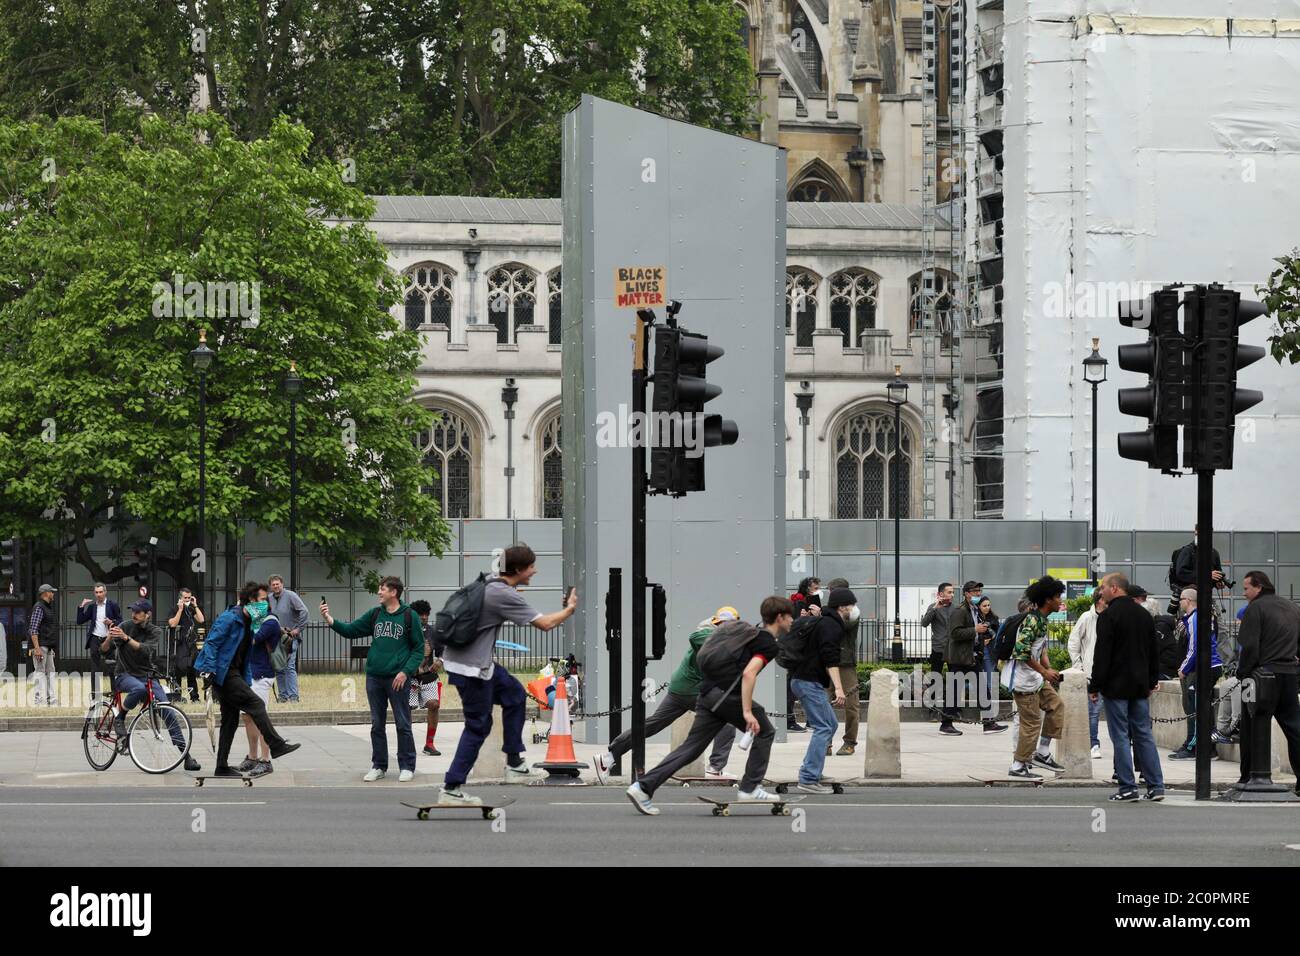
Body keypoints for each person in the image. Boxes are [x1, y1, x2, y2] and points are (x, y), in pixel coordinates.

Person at [626, 596, 793, 815]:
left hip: (706, 694)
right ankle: (750, 787)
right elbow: (749, 673)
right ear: (779, 617)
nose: (792, 620)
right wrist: (747, 711)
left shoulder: (750, 633)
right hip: (727, 697)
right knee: (765, 732)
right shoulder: (767, 643)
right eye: (790, 616)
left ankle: (642, 787)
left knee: (691, 748)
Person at [438, 545, 577, 806]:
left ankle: (514, 762)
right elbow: (545, 624)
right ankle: (451, 787)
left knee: (514, 693)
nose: (534, 571)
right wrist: (569, 610)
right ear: (518, 570)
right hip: (472, 671)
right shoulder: (503, 594)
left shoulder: (489, 583)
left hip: (473, 664)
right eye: (531, 567)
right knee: (478, 726)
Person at [591, 607, 741, 784]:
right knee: (727, 720)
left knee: (653, 723)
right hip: (691, 688)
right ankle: (716, 767)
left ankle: (608, 757)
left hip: (682, 689)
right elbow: (695, 637)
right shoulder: (707, 633)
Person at [193, 581, 301, 778]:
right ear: (250, 600)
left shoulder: (249, 621)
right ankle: (276, 746)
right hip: (222, 673)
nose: (265, 605)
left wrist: (247, 679)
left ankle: (222, 766)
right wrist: (208, 672)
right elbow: (211, 643)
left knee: (230, 720)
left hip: (234, 673)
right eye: (261, 600)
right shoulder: (230, 618)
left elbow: (246, 654)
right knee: (256, 703)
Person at [322, 575, 425, 782]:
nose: (379, 592)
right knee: (377, 724)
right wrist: (330, 620)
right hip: (375, 677)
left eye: (382, 589)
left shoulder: (409, 616)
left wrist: (405, 671)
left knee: (402, 723)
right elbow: (351, 631)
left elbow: (418, 649)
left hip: (398, 679)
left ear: (393, 592)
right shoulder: (375, 614)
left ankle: (407, 766)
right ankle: (379, 765)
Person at [103, 599, 201, 772]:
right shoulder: (125, 625)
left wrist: (126, 638)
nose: (133, 614)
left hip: (146, 675)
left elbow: (145, 650)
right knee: (139, 689)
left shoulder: (154, 631)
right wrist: (110, 635)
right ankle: (120, 718)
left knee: (168, 711)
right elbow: (103, 650)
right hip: (124, 674)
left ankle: (185, 756)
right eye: (132, 611)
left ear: (147, 614)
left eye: (138, 611)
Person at [1090, 573, 1164, 801]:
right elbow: (1153, 653)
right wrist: (1152, 681)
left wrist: (1095, 685)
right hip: (1139, 686)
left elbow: (1102, 656)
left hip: (1115, 686)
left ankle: (1128, 787)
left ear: (1114, 588)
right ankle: (1156, 786)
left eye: (1103, 588)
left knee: (1120, 736)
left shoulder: (1108, 617)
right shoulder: (1144, 616)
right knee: (1144, 735)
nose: (1100, 592)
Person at [1234, 570, 1300, 790]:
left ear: (1259, 587)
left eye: (1246, 588)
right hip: (1289, 673)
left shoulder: (1255, 609)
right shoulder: (1292, 607)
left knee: (1251, 727)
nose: (1244, 593)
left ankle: (1249, 777)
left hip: (1260, 676)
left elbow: (1250, 648)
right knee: (1294, 728)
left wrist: (1242, 673)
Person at [1003, 576, 1067, 779]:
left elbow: (1040, 649)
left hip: (1036, 680)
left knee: (1057, 706)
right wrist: (1045, 672)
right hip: (1023, 682)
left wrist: (1049, 669)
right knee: (1031, 723)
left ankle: (1043, 752)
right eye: (1058, 597)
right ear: (1048, 600)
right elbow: (1021, 653)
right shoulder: (1031, 620)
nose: (1061, 601)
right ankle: (1018, 765)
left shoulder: (1041, 620)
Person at [790, 589, 850, 791]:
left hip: (806, 680)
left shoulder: (824, 621)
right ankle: (808, 778)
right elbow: (830, 658)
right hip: (808, 681)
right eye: (851, 605)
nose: (853, 609)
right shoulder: (831, 625)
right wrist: (839, 689)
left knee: (830, 724)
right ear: (842, 606)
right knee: (823, 727)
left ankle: (812, 770)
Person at [1169, 587, 1222, 761]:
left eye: (1182, 599)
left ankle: (1193, 747)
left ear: (1189, 601)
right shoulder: (1199, 617)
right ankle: (1207, 748)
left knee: (1194, 710)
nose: (1179, 602)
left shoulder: (1195, 618)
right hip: (1209, 666)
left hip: (1202, 668)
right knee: (1202, 709)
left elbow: (1195, 648)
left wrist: (1183, 668)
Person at [236, 611, 283, 777]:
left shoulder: (270, 621)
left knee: (260, 717)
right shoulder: (250, 620)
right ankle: (252, 757)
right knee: (247, 717)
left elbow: (252, 640)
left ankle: (266, 760)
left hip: (262, 675)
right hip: (248, 675)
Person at [1067, 590, 1108, 759]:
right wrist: (1080, 668)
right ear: (1100, 600)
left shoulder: (1112, 617)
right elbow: (1073, 643)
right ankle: (1093, 743)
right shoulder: (1086, 618)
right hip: (1092, 673)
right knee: (1094, 711)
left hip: (1111, 673)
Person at [408, 600, 445, 756]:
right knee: (407, 708)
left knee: (434, 705)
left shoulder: (433, 632)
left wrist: (440, 661)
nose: (424, 617)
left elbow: (444, 650)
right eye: (420, 614)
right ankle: (407, 745)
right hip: (409, 678)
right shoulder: (406, 630)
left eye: (426, 614)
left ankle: (429, 744)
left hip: (428, 677)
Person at [831, 581, 863, 756]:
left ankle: (850, 741)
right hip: (827, 663)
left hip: (845, 663)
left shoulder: (853, 613)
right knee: (824, 703)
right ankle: (826, 742)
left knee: (851, 704)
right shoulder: (829, 614)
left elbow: (843, 626)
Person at [920, 582, 956, 733]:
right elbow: (924, 623)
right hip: (938, 648)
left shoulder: (957, 609)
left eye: (953, 592)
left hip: (953, 649)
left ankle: (953, 711)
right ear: (940, 594)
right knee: (936, 678)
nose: (952, 594)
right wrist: (935, 607)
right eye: (949, 592)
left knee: (955, 679)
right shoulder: (933, 608)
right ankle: (932, 710)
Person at [1168, 525, 1226, 614]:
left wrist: (1218, 582)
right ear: (1195, 532)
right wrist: (1206, 575)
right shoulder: (1187, 551)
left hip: (1206, 597)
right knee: (1189, 625)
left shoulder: (1214, 553)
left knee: (1215, 625)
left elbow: (1217, 573)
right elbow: (1181, 573)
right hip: (1189, 598)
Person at [268, 575, 308, 703]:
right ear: (270, 586)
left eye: (277, 584)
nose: (276, 586)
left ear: (282, 584)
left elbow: (304, 611)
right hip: (275, 637)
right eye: (273, 584)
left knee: (289, 666)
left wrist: (297, 630)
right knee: (279, 667)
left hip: (290, 638)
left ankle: (293, 696)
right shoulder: (268, 598)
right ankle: (283, 696)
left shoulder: (291, 596)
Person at [77, 583, 122, 698]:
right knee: (95, 667)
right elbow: (80, 620)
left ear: (105, 592)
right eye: (96, 592)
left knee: (111, 666)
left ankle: (114, 692)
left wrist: (111, 622)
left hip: (108, 638)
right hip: (95, 638)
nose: (98, 595)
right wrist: (81, 606)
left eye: (101, 592)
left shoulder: (112, 605)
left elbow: (120, 621)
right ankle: (95, 694)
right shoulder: (92, 607)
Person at [973, 595, 1008, 733]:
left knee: (989, 682)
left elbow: (999, 635)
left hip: (990, 652)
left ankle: (988, 717)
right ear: (979, 606)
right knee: (982, 682)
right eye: (984, 605)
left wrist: (991, 640)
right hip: (980, 652)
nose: (987, 608)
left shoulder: (993, 619)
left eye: (988, 605)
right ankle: (987, 717)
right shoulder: (975, 618)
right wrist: (982, 641)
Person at [166, 587, 205, 702]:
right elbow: (172, 624)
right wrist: (180, 610)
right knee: (178, 669)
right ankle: (177, 696)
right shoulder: (174, 609)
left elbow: (201, 620)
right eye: (185, 598)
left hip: (190, 644)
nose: (187, 599)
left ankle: (194, 697)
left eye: (189, 597)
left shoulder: (191, 609)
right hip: (178, 643)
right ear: (180, 598)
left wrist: (195, 605)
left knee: (191, 670)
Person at [28, 583, 59, 707]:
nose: (53, 594)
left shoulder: (46, 607)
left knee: (50, 673)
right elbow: (33, 629)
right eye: (51, 592)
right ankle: (39, 701)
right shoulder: (39, 607)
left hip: (47, 646)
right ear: (46, 593)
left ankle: (51, 700)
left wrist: (51, 648)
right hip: (41, 646)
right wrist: (37, 648)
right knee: (40, 672)